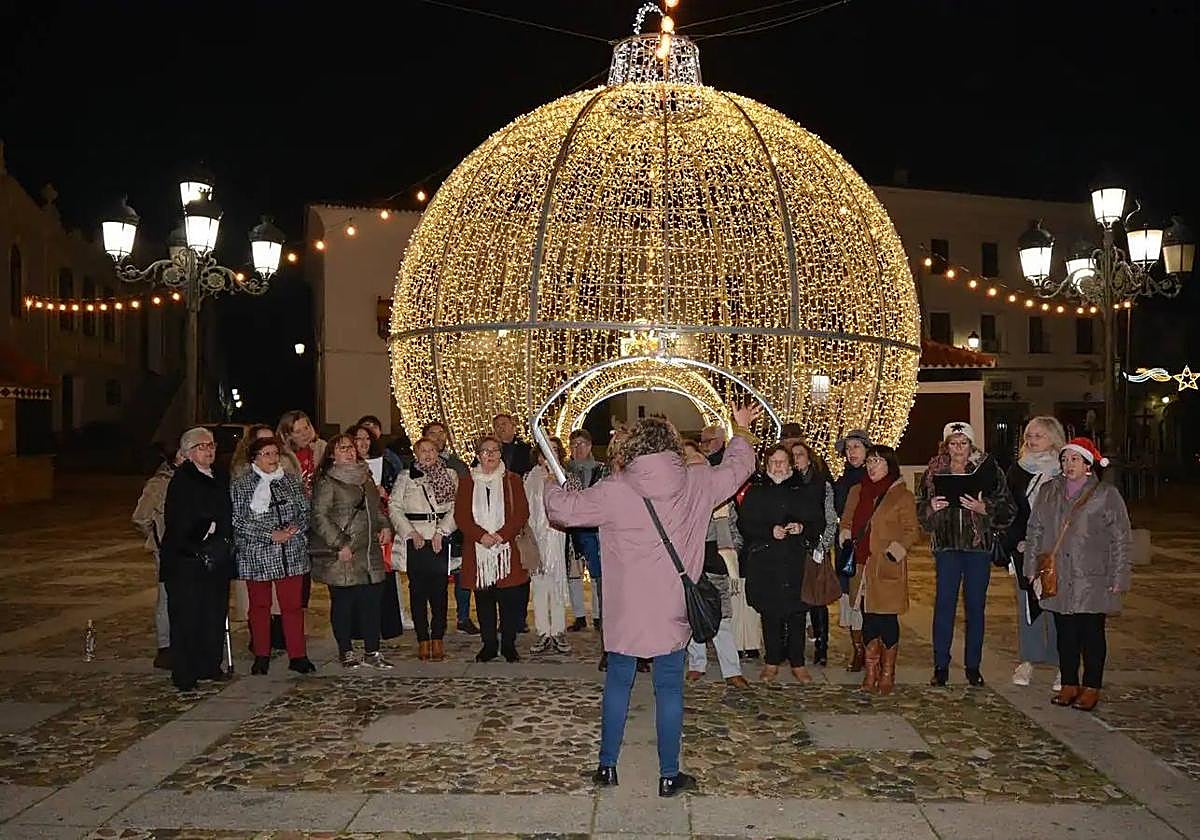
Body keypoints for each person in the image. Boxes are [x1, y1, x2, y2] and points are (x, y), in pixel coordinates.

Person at [545, 405, 759, 797]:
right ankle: (668, 775)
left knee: (618, 683)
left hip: (626, 609)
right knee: (669, 689)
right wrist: (741, 431)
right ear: (674, 447)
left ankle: (607, 767)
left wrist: (551, 482)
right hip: (672, 607)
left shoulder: (615, 487)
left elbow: (561, 510)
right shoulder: (697, 481)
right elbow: (738, 468)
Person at [1025, 437, 1132, 711]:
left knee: (1092, 634)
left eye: (1074, 459)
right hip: (1059, 575)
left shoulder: (1105, 494)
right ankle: (1069, 683)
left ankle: (1092, 686)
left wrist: (1119, 577)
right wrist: (1031, 568)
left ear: (1088, 464)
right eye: (1064, 459)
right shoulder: (1050, 491)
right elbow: (1035, 528)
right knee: (1066, 634)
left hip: (1092, 577)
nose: (1068, 464)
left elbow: (1120, 537)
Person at [917, 422, 1016, 687]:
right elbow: (919, 508)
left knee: (975, 607)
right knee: (944, 606)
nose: (958, 449)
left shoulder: (988, 469)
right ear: (946, 445)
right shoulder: (934, 471)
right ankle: (941, 665)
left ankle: (973, 666)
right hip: (947, 547)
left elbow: (1008, 507)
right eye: (953, 443)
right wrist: (931, 509)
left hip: (976, 548)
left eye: (963, 443)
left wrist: (986, 508)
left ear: (971, 445)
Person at [738, 444, 826, 683]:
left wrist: (802, 527)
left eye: (782, 462)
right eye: (773, 462)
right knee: (770, 613)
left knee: (797, 613)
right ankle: (771, 662)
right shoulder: (756, 491)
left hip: (794, 561)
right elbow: (744, 524)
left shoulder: (801, 490)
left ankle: (798, 663)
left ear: (790, 464)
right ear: (767, 465)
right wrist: (768, 531)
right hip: (766, 562)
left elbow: (818, 522)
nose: (778, 466)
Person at [309, 432, 395, 669]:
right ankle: (345, 650)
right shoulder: (328, 481)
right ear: (332, 455)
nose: (349, 451)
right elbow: (319, 516)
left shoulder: (365, 477)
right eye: (342, 448)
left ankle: (372, 650)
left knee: (371, 602)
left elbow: (375, 509)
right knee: (344, 603)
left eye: (350, 447)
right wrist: (339, 543)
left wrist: (385, 526)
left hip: (369, 551)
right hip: (344, 552)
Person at [230, 435, 314, 675]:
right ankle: (261, 654)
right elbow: (238, 520)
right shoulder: (242, 485)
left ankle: (298, 655)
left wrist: (294, 528)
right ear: (254, 458)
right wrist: (270, 535)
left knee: (292, 606)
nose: (272, 459)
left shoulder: (290, 481)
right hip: (258, 553)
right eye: (266, 454)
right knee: (259, 606)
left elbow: (305, 510)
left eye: (275, 454)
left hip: (290, 552)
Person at [838, 445, 919, 694]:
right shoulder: (857, 490)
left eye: (878, 462)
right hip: (861, 565)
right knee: (867, 618)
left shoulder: (901, 495)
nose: (872, 466)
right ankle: (871, 672)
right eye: (870, 461)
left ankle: (887, 672)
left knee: (887, 618)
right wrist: (845, 532)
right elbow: (848, 518)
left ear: (889, 465)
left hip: (886, 564)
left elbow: (911, 530)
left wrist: (898, 549)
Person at [159, 427, 234, 691]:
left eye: (211, 445)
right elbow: (179, 520)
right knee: (187, 617)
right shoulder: (182, 480)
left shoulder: (221, 476)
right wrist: (208, 527)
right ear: (189, 453)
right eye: (203, 446)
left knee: (212, 614)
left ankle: (209, 665)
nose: (209, 450)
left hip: (216, 559)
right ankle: (185, 672)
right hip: (187, 560)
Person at [456, 434, 531, 662]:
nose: (490, 455)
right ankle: (489, 645)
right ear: (478, 455)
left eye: (495, 451)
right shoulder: (467, 481)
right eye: (485, 451)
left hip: (506, 551)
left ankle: (508, 644)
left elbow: (521, 513)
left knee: (509, 601)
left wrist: (501, 535)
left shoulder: (513, 480)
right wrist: (480, 536)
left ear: (501, 454)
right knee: (484, 601)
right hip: (478, 553)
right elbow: (461, 515)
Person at [1003, 416, 1066, 689]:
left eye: (1038, 435)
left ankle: (1063, 663)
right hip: (1025, 549)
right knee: (1027, 605)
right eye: (1029, 435)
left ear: (1053, 437)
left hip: (1058, 549)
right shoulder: (1017, 471)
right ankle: (1027, 659)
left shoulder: (1065, 469)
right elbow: (1008, 511)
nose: (1032, 440)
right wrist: (1014, 541)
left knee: (1057, 607)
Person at [683, 445, 749, 688]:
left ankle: (731, 669)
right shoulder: (680, 498)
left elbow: (734, 530)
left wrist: (731, 553)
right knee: (694, 614)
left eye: (698, 459)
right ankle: (696, 664)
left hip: (716, 563)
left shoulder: (722, 498)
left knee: (722, 619)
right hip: (690, 564)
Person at [389, 436, 458, 661]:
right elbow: (395, 507)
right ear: (416, 453)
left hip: (439, 537)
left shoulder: (450, 476)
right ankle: (422, 638)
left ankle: (437, 636)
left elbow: (456, 507)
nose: (427, 454)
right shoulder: (406, 477)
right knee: (417, 592)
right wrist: (410, 533)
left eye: (431, 450)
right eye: (423, 450)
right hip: (414, 538)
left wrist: (442, 531)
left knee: (439, 592)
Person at [350, 424, 406, 641]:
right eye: (358, 439)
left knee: (383, 575)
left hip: (382, 525)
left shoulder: (387, 464)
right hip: (357, 528)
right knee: (359, 578)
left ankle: (387, 625)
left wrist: (385, 493)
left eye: (367, 439)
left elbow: (398, 497)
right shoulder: (344, 467)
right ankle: (359, 628)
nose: (363, 443)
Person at [422, 420, 477, 635]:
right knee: (434, 576)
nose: (438, 437)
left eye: (441, 433)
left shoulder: (458, 465)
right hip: (427, 527)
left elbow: (466, 496)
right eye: (433, 433)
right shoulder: (417, 467)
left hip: (456, 526)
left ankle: (463, 617)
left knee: (462, 573)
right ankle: (437, 619)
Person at [132, 447, 184, 670]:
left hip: (191, 548)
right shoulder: (159, 483)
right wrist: (156, 536)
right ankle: (166, 645)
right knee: (166, 595)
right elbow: (141, 517)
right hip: (166, 548)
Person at [791, 440, 838, 666]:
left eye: (799, 455)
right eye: (793, 456)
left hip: (815, 546)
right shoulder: (788, 484)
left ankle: (822, 647)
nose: (796, 459)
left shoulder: (822, 484)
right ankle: (793, 645)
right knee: (794, 599)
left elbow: (830, 520)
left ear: (809, 458)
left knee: (817, 600)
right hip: (791, 548)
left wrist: (822, 547)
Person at [525, 437, 571, 654]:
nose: (549, 455)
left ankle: (558, 630)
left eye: (554, 450)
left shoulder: (565, 476)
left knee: (558, 583)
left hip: (558, 536)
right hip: (537, 537)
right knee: (540, 585)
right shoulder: (530, 477)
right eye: (546, 450)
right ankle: (543, 631)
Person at [832, 428, 871, 671]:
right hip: (846, 547)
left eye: (856, 447)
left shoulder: (874, 478)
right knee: (851, 599)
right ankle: (858, 650)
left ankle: (872, 650)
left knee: (869, 599)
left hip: (869, 547)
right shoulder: (842, 481)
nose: (851, 452)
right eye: (848, 448)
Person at [566, 429, 609, 638]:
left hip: (594, 530)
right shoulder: (564, 471)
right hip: (572, 530)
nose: (578, 448)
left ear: (590, 446)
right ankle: (579, 616)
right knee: (573, 574)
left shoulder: (601, 470)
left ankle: (599, 615)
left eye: (582, 444)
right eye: (574, 445)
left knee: (596, 574)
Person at [277, 410, 326, 497]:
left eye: (306, 428)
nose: (305, 434)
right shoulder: (281, 458)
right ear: (287, 435)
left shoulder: (322, 448)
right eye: (298, 432)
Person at [231, 424, 300, 480]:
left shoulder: (288, 474)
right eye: (262, 442)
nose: (268, 445)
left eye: (271, 440)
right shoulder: (243, 478)